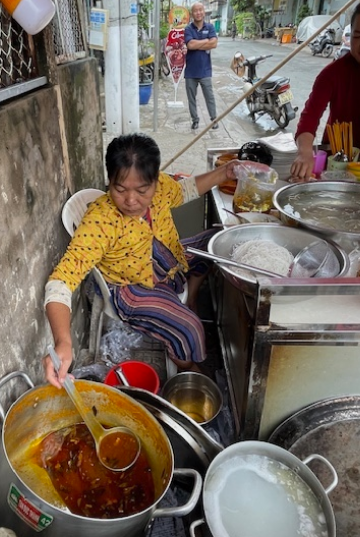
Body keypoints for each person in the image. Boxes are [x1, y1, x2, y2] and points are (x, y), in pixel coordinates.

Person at [43, 133, 244, 389]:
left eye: (142, 190)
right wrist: (63, 342)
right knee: (190, 328)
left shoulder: (161, 187)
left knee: (217, 241)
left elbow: (184, 190)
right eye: (119, 189)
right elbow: (61, 280)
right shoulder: (101, 220)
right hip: (130, 286)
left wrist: (226, 172)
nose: (130, 200)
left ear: (154, 181)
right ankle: (189, 367)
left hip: (166, 259)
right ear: (110, 181)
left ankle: (189, 296)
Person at [291, 0, 360, 181]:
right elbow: (309, 117)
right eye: (358, 36)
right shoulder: (333, 73)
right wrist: (305, 152)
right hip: (337, 162)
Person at [184, 2, 219, 131]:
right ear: (192, 14)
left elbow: (214, 44)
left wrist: (198, 43)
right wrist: (206, 41)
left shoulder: (210, 27)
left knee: (209, 96)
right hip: (190, 72)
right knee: (191, 99)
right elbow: (190, 45)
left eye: (200, 10)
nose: (198, 13)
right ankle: (195, 120)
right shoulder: (188, 29)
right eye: (195, 11)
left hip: (205, 70)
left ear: (204, 12)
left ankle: (214, 120)